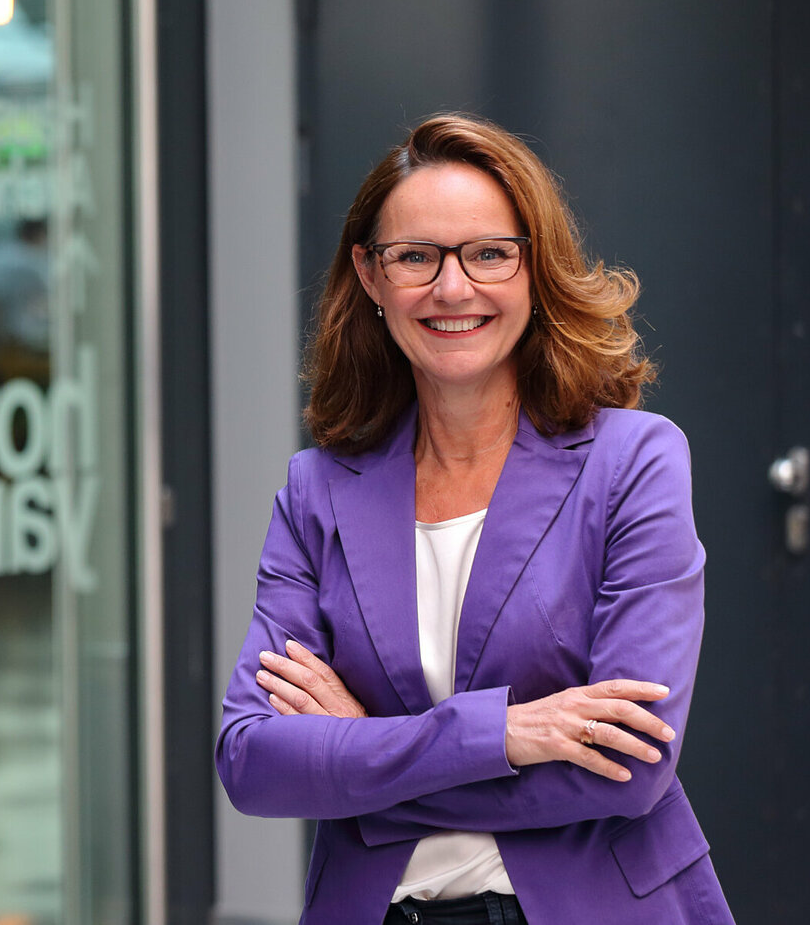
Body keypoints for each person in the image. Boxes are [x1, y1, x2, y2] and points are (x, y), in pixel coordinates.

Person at [215, 114, 733, 923]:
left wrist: (365, 760)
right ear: (371, 274)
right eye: (415, 256)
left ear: (535, 269)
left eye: (489, 253)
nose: (452, 288)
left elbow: (630, 766)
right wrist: (502, 732)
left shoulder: (633, 461)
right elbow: (253, 761)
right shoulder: (316, 491)